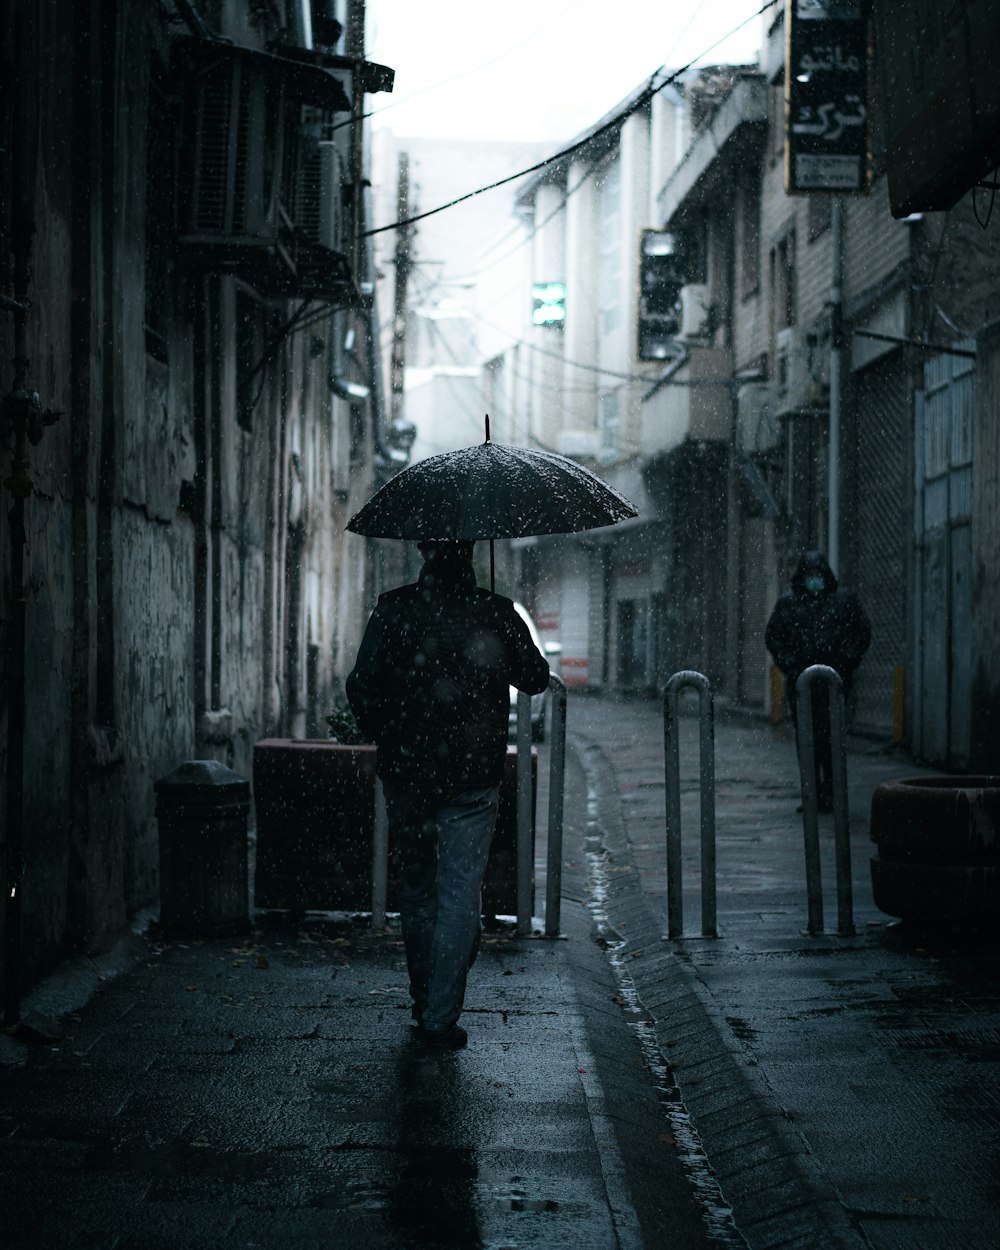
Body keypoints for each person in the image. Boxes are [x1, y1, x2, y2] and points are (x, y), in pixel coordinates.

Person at [346, 540, 549, 1048]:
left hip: (408, 772)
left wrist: (389, 731)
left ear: (422, 551)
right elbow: (536, 679)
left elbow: (361, 685)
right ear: (474, 552)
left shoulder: (393, 609)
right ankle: (440, 1015)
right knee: (460, 892)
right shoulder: (494, 611)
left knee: (417, 889)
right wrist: (501, 639)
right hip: (473, 774)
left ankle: (424, 998)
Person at [765, 550, 871, 811]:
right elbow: (774, 636)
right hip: (803, 687)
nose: (814, 579)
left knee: (833, 741)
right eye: (809, 574)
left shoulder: (842, 601)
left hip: (835, 685)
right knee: (807, 742)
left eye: (818, 574)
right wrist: (789, 663)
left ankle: (832, 793)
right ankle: (812, 794)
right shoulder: (789, 604)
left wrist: (847, 660)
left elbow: (861, 631)